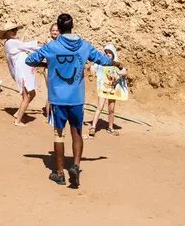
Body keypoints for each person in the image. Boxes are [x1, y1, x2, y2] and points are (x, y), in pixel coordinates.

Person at [25, 14, 123, 188]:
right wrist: (117, 63)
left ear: (60, 29)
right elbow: (104, 60)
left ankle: (59, 173)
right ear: (72, 26)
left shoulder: (52, 46)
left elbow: (30, 60)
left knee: (59, 134)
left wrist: (48, 64)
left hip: (57, 99)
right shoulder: (84, 46)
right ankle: (76, 166)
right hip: (76, 99)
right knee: (76, 133)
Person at [0, 22, 40, 126]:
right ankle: (18, 121)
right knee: (27, 96)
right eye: (12, 30)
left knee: (32, 93)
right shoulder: (11, 42)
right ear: (7, 33)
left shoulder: (13, 42)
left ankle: (18, 113)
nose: (15, 31)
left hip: (24, 70)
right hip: (21, 72)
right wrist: (40, 44)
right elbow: (28, 46)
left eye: (15, 29)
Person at [89, 44, 128, 137]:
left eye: (109, 53)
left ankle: (110, 127)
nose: (107, 54)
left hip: (113, 90)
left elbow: (125, 71)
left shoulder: (117, 63)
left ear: (113, 53)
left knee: (111, 109)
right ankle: (93, 127)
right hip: (103, 89)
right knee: (100, 107)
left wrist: (122, 72)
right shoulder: (102, 63)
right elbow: (93, 68)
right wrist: (91, 68)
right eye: (106, 53)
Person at [42, 23, 60, 121]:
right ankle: (49, 116)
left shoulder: (60, 42)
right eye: (53, 30)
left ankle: (53, 114)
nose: (55, 32)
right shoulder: (49, 42)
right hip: (49, 70)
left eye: (57, 30)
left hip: (57, 71)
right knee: (51, 93)